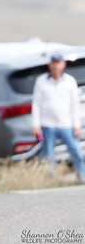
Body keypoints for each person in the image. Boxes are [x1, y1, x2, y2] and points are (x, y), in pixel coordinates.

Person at [32, 52, 85, 182]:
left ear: (63, 64)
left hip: (66, 124)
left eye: (58, 62)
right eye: (53, 62)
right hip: (47, 124)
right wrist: (36, 124)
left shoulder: (69, 81)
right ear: (50, 64)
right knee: (49, 154)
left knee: (76, 151)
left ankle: (82, 176)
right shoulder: (41, 81)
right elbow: (36, 103)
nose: (55, 65)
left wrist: (76, 124)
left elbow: (74, 105)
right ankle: (51, 179)